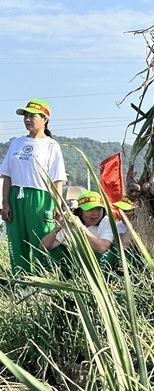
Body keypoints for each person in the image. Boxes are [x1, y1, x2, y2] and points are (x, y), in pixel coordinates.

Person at [0, 99, 67, 274]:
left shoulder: (52, 146)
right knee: (16, 240)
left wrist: (58, 205)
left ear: (45, 119)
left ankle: (46, 283)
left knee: (41, 240)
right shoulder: (17, 142)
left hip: (40, 198)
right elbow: (6, 175)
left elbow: (57, 180)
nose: (27, 119)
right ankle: (21, 284)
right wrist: (5, 202)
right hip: (16, 196)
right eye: (25, 116)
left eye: (32, 116)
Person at [39, 191, 115, 266]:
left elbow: (102, 248)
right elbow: (43, 247)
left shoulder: (106, 221)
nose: (95, 213)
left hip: (100, 266)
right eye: (90, 209)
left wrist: (81, 227)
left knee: (106, 254)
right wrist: (57, 228)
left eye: (98, 209)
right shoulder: (71, 223)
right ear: (80, 212)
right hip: (78, 265)